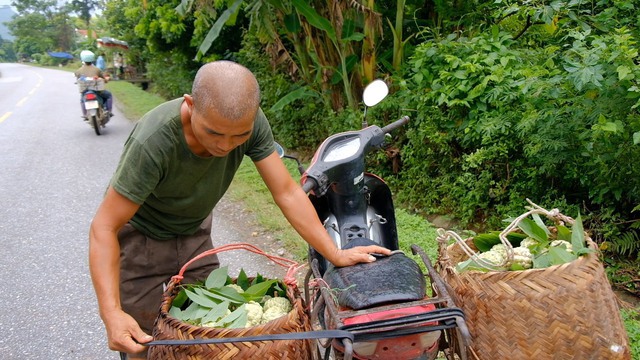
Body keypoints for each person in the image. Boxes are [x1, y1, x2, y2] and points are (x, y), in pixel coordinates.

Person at [88, 60, 390, 359]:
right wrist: (111, 313)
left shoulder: (251, 122)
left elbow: (286, 192)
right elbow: (104, 227)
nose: (225, 146)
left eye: (239, 137)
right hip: (142, 239)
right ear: (190, 105)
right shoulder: (154, 141)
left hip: (194, 233)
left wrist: (333, 253)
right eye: (214, 133)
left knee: (210, 333)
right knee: (143, 342)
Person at [75, 50, 113, 117]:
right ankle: (108, 111)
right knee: (109, 95)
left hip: (85, 90)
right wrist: (106, 80)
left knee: (82, 100)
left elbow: (77, 79)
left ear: (82, 59)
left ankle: (85, 114)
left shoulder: (78, 71)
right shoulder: (97, 69)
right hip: (97, 90)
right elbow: (103, 78)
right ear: (92, 59)